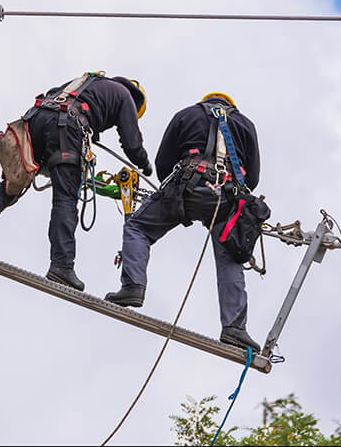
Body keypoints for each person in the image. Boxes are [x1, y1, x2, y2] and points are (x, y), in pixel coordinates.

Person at [0, 72, 152, 292]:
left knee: (12, 183)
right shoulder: (125, 96)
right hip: (67, 126)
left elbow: (54, 95)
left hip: (35, 121)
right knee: (65, 198)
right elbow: (132, 143)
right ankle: (62, 266)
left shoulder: (86, 82)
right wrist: (145, 166)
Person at [105, 93, 262, 351]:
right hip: (227, 198)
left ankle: (133, 286)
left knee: (138, 227)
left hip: (187, 186)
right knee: (231, 255)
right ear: (231, 105)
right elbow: (252, 177)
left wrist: (172, 199)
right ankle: (234, 327)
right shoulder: (245, 124)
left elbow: (163, 163)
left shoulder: (187, 114)